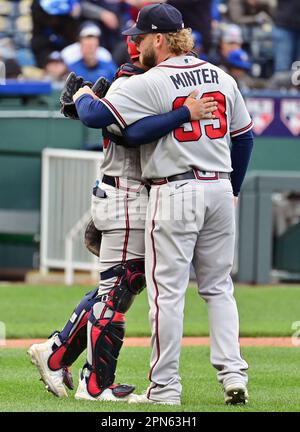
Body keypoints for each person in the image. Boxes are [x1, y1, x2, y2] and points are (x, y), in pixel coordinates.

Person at [73, 3, 254, 405]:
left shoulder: (154, 80)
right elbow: (244, 139)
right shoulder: (221, 76)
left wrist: (85, 92)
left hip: (176, 190)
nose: (137, 44)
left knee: (166, 294)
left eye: (142, 36)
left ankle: (166, 390)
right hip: (220, 188)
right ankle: (233, 374)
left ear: (159, 39)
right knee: (219, 288)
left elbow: (93, 116)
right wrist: (233, 188)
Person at [28, 35, 217, 402]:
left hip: (128, 192)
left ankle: (57, 353)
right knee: (118, 288)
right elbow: (129, 135)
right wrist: (86, 98)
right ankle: (95, 383)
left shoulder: (145, 81)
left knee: (118, 288)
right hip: (126, 192)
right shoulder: (133, 83)